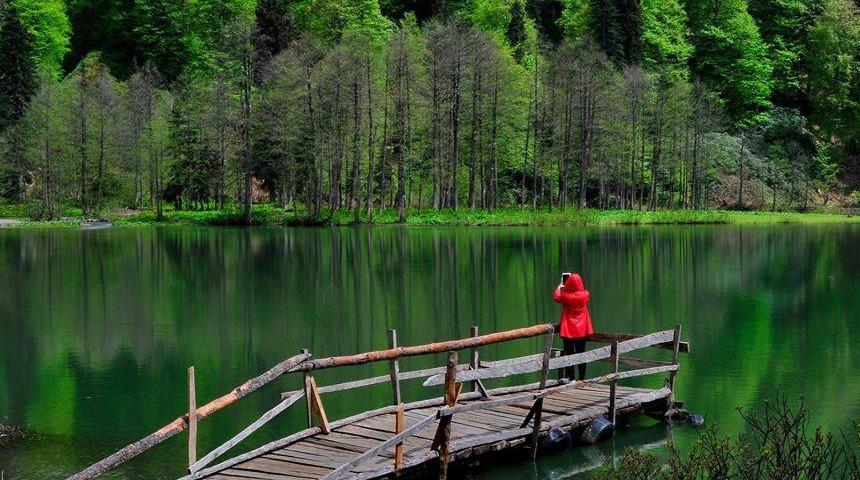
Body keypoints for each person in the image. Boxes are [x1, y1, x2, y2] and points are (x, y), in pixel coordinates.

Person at [553, 272, 594, 380]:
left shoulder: (566, 296)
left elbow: (557, 297)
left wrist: (561, 285)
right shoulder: (585, 295)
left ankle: (571, 378)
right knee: (581, 353)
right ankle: (582, 378)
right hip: (582, 329)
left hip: (569, 329)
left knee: (569, 354)